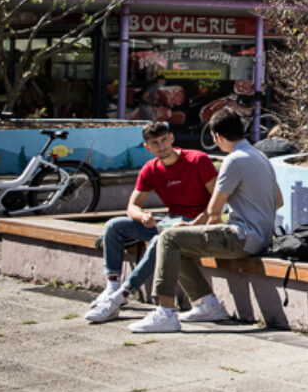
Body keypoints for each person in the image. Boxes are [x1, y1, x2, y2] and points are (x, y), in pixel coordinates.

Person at [130, 108, 282, 333]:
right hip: (261, 237)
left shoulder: (234, 161)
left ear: (218, 137)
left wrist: (192, 228)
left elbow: (213, 211)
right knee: (179, 242)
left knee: (170, 238)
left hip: (243, 237)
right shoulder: (260, 156)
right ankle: (206, 304)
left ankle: (165, 313)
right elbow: (278, 201)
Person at [84, 122, 217, 323]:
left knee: (159, 241)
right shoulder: (150, 169)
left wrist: (197, 222)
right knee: (113, 226)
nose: (161, 146)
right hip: (169, 221)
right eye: (155, 143)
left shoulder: (198, 160)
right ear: (148, 147)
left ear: (172, 138)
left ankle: (121, 296)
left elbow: (218, 200)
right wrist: (142, 217)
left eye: (164, 140)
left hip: (195, 225)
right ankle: (111, 287)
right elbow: (132, 207)